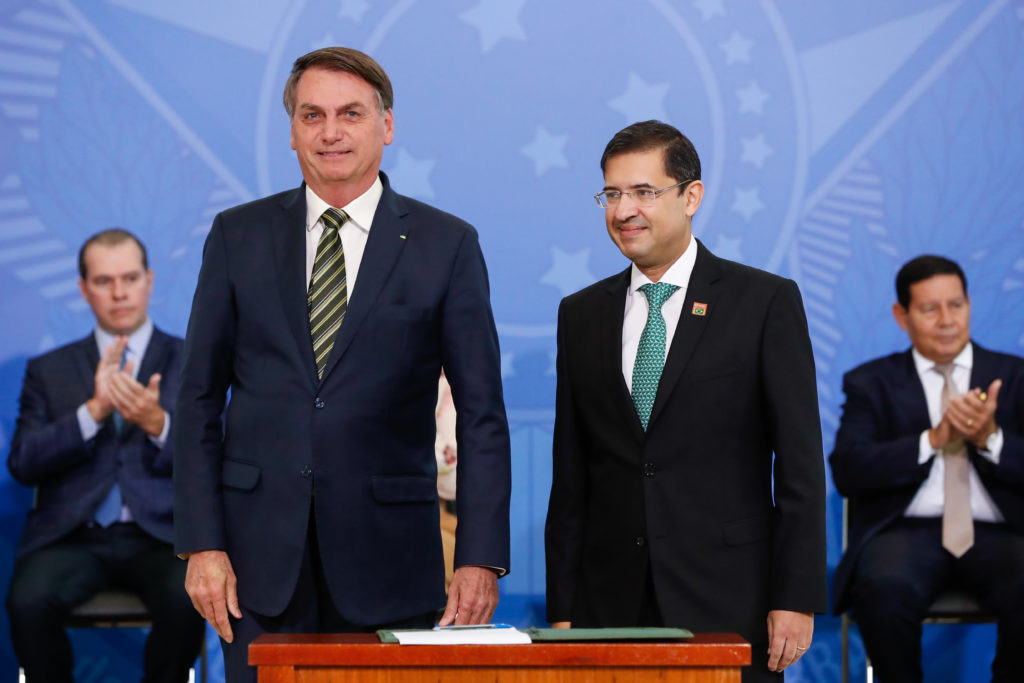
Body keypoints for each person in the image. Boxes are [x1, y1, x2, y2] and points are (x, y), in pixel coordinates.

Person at [173, 46, 511, 682]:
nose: (331, 133)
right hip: (254, 568)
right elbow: (196, 400)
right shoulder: (236, 236)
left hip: (392, 562)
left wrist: (481, 557)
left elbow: (483, 414)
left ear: (386, 125)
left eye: (351, 114)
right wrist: (202, 542)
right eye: (312, 115)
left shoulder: (447, 245)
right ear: (294, 131)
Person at [544, 120, 827, 682]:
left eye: (644, 192)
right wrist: (563, 608)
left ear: (691, 196)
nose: (624, 210)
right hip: (610, 603)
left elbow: (799, 466)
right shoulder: (581, 314)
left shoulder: (763, 302)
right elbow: (571, 473)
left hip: (729, 596)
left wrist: (795, 595)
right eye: (612, 194)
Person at [5, 229, 205, 683]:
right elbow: (22, 463)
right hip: (72, 538)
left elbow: (218, 458)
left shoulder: (191, 360)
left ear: (149, 281)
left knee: (188, 597)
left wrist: (159, 424)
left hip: (164, 539)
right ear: (83, 288)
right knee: (26, 601)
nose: (119, 293)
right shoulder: (48, 370)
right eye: (103, 281)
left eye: (130, 278)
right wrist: (92, 413)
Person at [830, 255, 1024, 682]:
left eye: (955, 305)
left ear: (970, 305)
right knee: (883, 588)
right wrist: (933, 440)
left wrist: (990, 438)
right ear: (902, 315)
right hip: (905, 531)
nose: (946, 320)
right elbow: (849, 469)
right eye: (929, 309)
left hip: (1001, 532)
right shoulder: (871, 383)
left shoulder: (1014, 376)